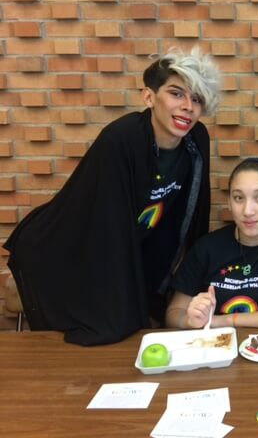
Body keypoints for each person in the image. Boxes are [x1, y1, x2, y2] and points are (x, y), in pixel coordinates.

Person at [4, 47, 221, 345]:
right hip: (75, 242)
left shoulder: (197, 140)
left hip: (140, 240)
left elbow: (193, 209)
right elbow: (106, 224)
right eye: (176, 94)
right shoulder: (122, 139)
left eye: (196, 99)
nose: (188, 107)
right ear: (149, 97)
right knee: (118, 327)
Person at [166, 157, 258, 330]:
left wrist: (224, 321)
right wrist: (189, 320)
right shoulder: (206, 247)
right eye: (238, 198)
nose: (247, 211)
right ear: (229, 202)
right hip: (218, 343)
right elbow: (173, 314)